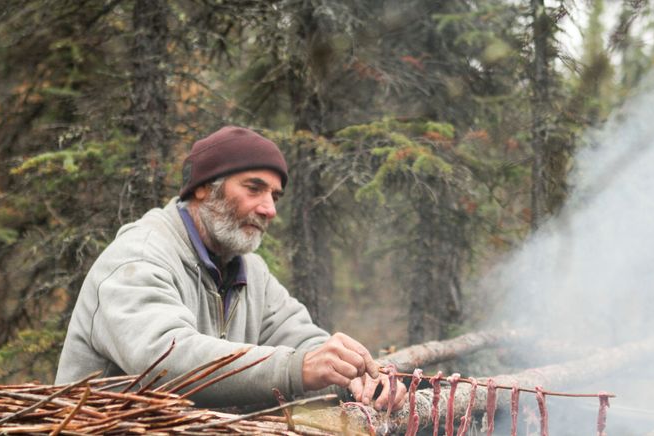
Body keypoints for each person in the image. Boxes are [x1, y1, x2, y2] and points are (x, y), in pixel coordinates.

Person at [55, 125, 406, 410]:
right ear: (205, 189)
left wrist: (356, 375)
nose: (269, 209)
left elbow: (297, 337)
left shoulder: (249, 269)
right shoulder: (138, 256)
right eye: (254, 189)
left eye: (275, 196)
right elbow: (165, 360)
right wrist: (296, 368)